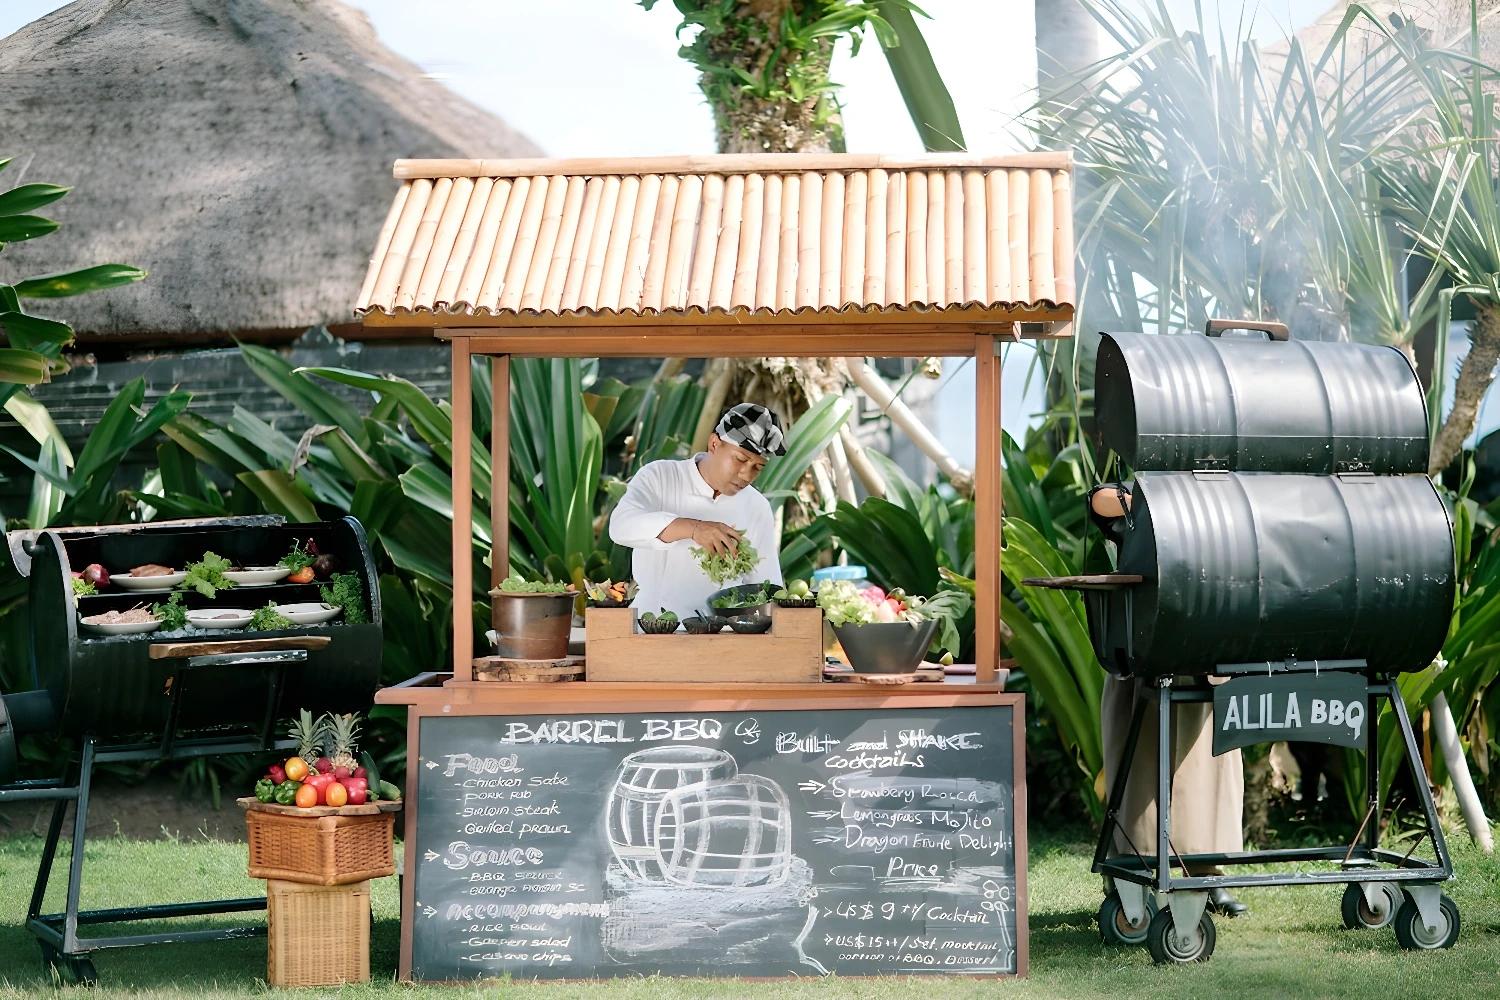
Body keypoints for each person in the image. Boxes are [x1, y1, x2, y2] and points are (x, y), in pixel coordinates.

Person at [1091, 484, 1249, 918]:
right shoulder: (1135, 494)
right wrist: (1149, 499)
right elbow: (1100, 502)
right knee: (1139, 771)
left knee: (1209, 769)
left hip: (1202, 641)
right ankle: (1129, 872)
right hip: (1144, 646)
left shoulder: (1216, 497)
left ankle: (1209, 873)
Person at [608, 402, 786, 618]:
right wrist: (694, 529)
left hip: (720, 631)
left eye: (758, 467)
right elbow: (621, 526)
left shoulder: (756, 506)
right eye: (740, 459)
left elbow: (765, 587)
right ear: (714, 444)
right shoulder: (660, 476)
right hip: (651, 624)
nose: (747, 475)